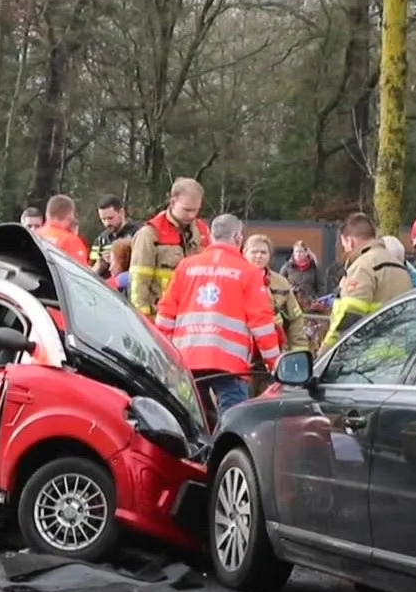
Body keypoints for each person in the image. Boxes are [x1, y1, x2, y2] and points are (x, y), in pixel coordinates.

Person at [156, 213, 283, 416]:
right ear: (238, 238)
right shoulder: (248, 272)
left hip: (188, 360)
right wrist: (274, 362)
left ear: (210, 236)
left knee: (190, 422)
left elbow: (165, 315)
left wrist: (164, 358)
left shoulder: (187, 266)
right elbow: (262, 324)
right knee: (232, 424)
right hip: (230, 365)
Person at [321, 212, 412, 350]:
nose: (345, 249)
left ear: (349, 241)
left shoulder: (363, 266)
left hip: (369, 355)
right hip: (401, 353)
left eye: (344, 244)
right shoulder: (399, 266)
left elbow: (349, 317)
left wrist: (325, 351)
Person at [128, 177, 210, 317]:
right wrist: (143, 319)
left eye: (196, 210)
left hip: (192, 314)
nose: (192, 215)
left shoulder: (203, 232)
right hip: (160, 314)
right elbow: (138, 284)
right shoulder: (150, 234)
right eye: (187, 210)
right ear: (172, 203)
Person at [244, 233, 311, 357]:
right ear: (244, 253)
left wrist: (298, 352)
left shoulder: (280, 283)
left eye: (263, 252)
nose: (259, 256)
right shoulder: (234, 279)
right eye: (254, 252)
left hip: (273, 350)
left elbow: (295, 318)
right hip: (242, 350)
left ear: (269, 256)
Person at [89, 194, 140, 278]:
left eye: (110, 218)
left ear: (122, 213)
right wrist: (101, 264)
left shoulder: (138, 233)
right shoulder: (101, 240)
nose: (107, 223)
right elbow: (91, 269)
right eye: (103, 219)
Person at [38, 194, 90, 263]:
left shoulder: (35, 235)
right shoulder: (71, 241)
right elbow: (79, 268)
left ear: (47, 214)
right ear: (70, 214)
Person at [284, 240, 322, 306]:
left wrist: (316, 299)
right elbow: (280, 283)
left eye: (301, 251)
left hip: (310, 303)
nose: (298, 254)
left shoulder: (313, 267)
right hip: (291, 302)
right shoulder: (287, 267)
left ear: (306, 253)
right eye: (296, 251)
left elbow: (320, 286)